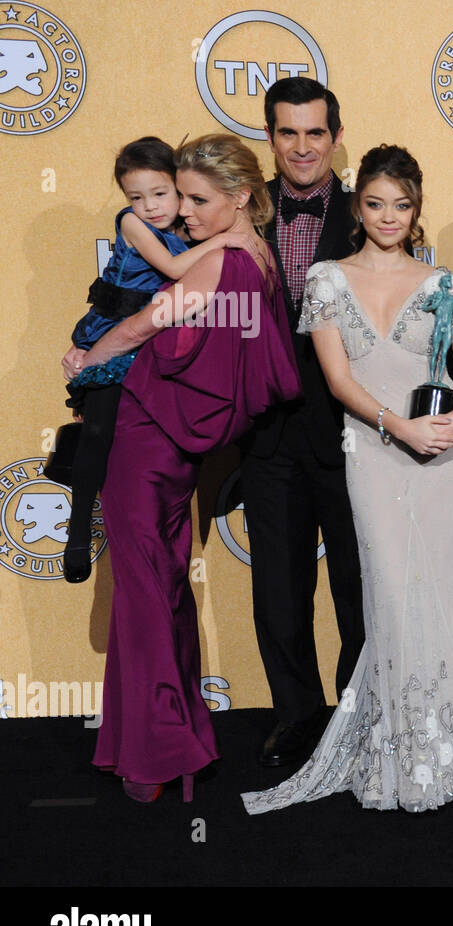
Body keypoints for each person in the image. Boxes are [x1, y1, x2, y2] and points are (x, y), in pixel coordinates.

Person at [243, 146, 453, 814]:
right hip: (374, 449)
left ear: (418, 210)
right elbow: (338, 380)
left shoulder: (440, 280)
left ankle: (451, 750)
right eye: (376, 203)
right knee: (386, 594)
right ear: (360, 207)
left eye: (403, 204)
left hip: (444, 455)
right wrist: (399, 427)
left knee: (447, 595)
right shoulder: (327, 278)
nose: (389, 216)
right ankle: (395, 748)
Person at [64, 134, 300, 802]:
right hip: (173, 450)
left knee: (144, 596)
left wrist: (86, 361)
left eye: (199, 200)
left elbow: (142, 326)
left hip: (144, 440)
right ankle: (177, 739)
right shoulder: (260, 257)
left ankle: (157, 752)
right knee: (163, 587)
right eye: (182, 197)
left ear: (242, 197)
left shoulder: (217, 265)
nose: (185, 213)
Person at [59, 137, 257, 584]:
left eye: (161, 193)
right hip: (111, 331)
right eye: (136, 196)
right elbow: (172, 269)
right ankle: (76, 534)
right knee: (97, 428)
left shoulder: (188, 230)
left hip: (143, 350)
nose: (149, 206)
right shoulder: (134, 224)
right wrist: (229, 237)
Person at [244, 77, 366, 770]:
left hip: (349, 433)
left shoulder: (366, 211)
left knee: (356, 586)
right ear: (270, 137)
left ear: (336, 137)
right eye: (287, 132)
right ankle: (296, 716)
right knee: (279, 591)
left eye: (314, 132)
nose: (301, 147)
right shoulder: (240, 210)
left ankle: (354, 717)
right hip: (265, 436)